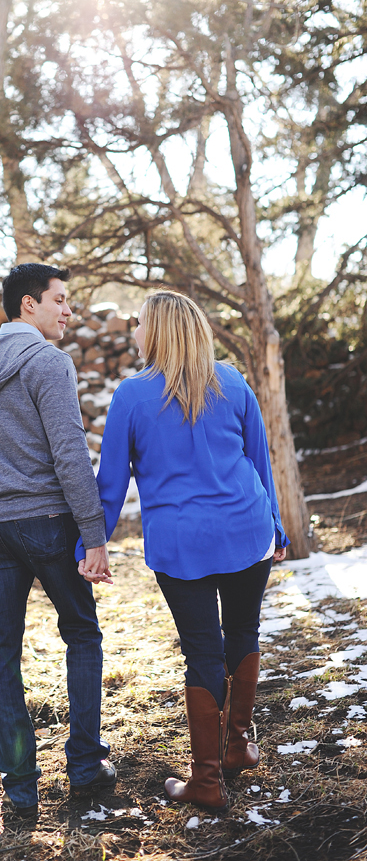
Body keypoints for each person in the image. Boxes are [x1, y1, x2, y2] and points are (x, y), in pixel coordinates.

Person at [78, 291, 288, 810]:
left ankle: (208, 781)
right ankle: (237, 746)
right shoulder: (232, 380)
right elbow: (262, 464)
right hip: (247, 529)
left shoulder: (132, 395)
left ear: (159, 332)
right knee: (243, 631)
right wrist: (277, 529)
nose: (134, 334)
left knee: (202, 650)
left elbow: (110, 483)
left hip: (182, 543)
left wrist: (94, 543)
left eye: (141, 325)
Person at [0, 263, 115, 820]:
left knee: (1, 659)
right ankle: (85, 767)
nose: (68, 311)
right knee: (82, 634)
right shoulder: (47, 362)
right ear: (27, 306)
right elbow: (69, 455)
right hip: (47, 523)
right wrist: (94, 536)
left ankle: (20, 790)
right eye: (60, 300)